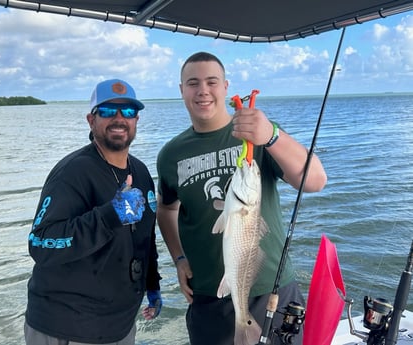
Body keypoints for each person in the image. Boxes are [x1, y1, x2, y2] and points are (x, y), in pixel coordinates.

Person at [156, 52, 327, 345]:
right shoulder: (171, 154)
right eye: (193, 83)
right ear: (181, 89)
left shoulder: (257, 133)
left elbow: (315, 181)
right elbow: (166, 208)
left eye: (212, 82)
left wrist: (272, 135)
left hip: (270, 287)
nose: (203, 91)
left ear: (225, 87)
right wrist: (179, 258)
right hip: (209, 294)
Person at [24, 79, 162, 345]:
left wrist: (152, 283)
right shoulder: (72, 173)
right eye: (108, 111)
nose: (119, 119)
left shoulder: (141, 172)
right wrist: (110, 215)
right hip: (65, 326)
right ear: (91, 120)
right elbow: (40, 243)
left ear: (137, 120)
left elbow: (145, 238)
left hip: (118, 325)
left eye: (128, 112)